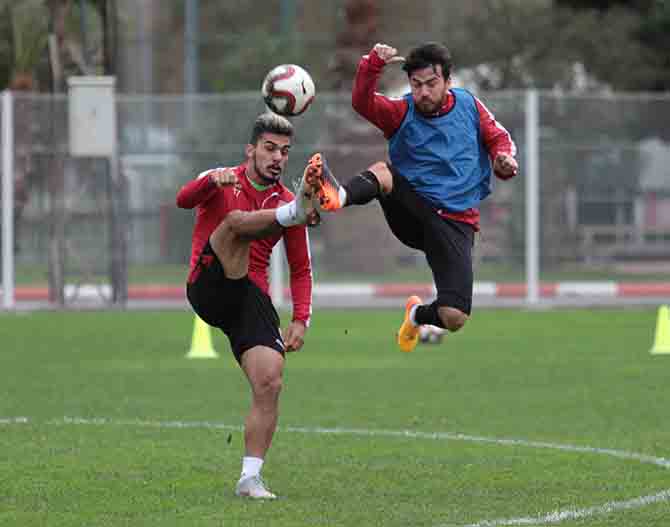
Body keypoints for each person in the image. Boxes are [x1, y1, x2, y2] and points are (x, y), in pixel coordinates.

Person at [312, 41, 518, 352]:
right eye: (416, 84)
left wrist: (504, 160)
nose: (423, 92)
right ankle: (337, 195)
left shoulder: (470, 106)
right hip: (415, 211)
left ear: (448, 81)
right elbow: (362, 103)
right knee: (385, 174)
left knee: (454, 316)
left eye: (431, 84)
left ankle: (415, 314)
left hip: (456, 223)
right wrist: (372, 65)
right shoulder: (401, 113)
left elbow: (499, 138)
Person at [176, 112, 324, 499]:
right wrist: (210, 180)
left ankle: (249, 478)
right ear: (251, 150)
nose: (277, 157)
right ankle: (291, 219)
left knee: (270, 379)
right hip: (208, 284)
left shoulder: (287, 197)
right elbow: (182, 199)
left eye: (285, 151)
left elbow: (302, 268)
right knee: (237, 222)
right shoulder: (224, 177)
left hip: (246, 296)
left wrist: (301, 319)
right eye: (270, 148)